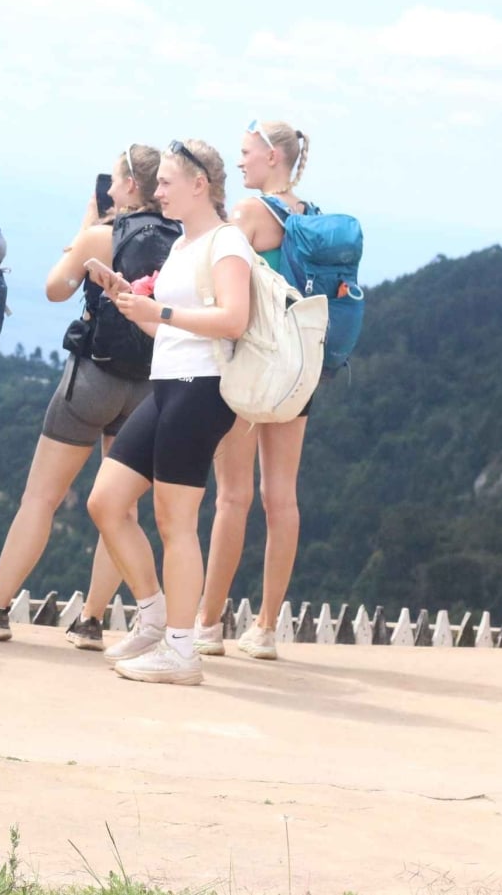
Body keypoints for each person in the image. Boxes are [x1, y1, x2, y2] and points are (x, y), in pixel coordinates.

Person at [0, 145, 176, 648]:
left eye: (116, 180)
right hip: (148, 385)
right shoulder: (183, 241)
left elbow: (54, 289)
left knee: (41, 498)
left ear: (132, 186)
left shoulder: (103, 234)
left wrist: (84, 232)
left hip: (93, 379)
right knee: (121, 510)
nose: (110, 189)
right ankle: (91, 621)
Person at [86, 139, 251, 685]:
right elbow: (170, 327)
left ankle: (183, 650)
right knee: (106, 501)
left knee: (175, 522)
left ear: (199, 185)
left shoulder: (227, 243)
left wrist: (161, 309)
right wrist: (132, 307)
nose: (157, 190)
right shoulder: (184, 244)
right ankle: (156, 618)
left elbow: (233, 320)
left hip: (202, 390)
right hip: (169, 383)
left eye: (167, 182)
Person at [194, 120, 313, 661]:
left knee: (233, 496)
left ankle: (208, 621)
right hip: (297, 369)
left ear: (272, 156)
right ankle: (265, 628)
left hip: (249, 368)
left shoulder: (247, 216)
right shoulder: (312, 217)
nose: (239, 163)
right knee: (281, 496)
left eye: (245, 154)